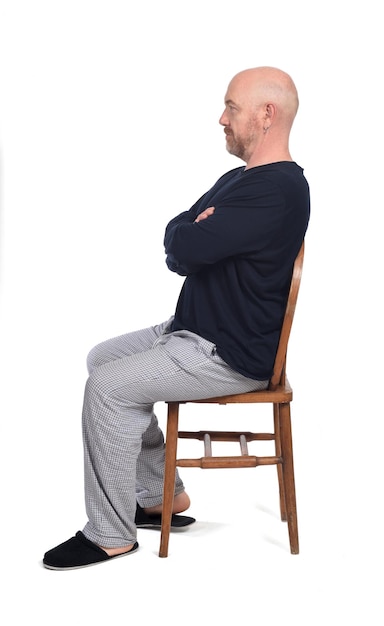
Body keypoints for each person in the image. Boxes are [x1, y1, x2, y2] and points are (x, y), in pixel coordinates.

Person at [43, 66, 310, 570]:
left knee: (107, 386)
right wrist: (192, 229)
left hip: (226, 353)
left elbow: (186, 245)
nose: (221, 118)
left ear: (266, 114)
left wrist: (193, 231)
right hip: (190, 330)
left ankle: (110, 534)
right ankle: (159, 496)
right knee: (100, 358)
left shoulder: (279, 189)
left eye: (231, 107)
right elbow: (178, 237)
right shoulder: (240, 179)